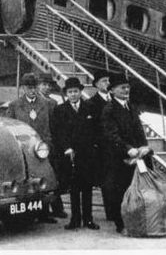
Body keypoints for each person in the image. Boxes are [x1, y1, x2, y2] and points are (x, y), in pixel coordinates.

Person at [101, 73, 152, 235]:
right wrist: (127, 148)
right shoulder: (109, 109)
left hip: (136, 156)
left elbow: (139, 130)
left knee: (136, 189)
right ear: (113, 90)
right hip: (118, 157)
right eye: (122, 87)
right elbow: (111, 134)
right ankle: (121, 224)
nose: (126, 90)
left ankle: (136, 221)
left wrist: (144, 146)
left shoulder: (131, 107)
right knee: (120, 191)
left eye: (128, 87)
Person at [7, 73, 57, 224]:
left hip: (42, 148)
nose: (32, 90)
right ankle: (25, 213)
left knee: (44, 181)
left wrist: (48, 145)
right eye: (29, 87)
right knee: (24, 181)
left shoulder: (48, 104)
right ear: (22, 88)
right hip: (23, 150)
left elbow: (53, 127)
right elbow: (9, 127)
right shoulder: (14, 105)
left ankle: (44, 213)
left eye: (34, 87)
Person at [52, 77, 100, 230]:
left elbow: (95, 130)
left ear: (80, 92)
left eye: (75, 91)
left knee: (87, 188)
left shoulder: (90, 107)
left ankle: (88, 219)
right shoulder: (60, 110)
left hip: (87, 155)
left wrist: (93, 148)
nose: (73, 94)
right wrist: (66, 147)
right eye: (70, 92)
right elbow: (57, 133)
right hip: (70, 155)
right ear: (66, 94)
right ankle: (75, 219)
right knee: (73, 189)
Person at [37, 73, 68, 219]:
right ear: (38, 86)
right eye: (44, 84)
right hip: (39, 146)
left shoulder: (53, 103)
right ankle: (43, 212)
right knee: (42, 177)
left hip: (53, 145)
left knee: (54, 177)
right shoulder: (34, 103)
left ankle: (57, 208)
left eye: (49, 85)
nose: (47, 87)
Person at [87, 70, 113, 221]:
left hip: (116, 147)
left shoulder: (115, 100)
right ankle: (111, 213)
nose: (107, 84)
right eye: (104, 81)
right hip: (103, 148)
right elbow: (92, 128)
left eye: (108, 81)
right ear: (96, 85)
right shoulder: (91, 103)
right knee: (107, 182)